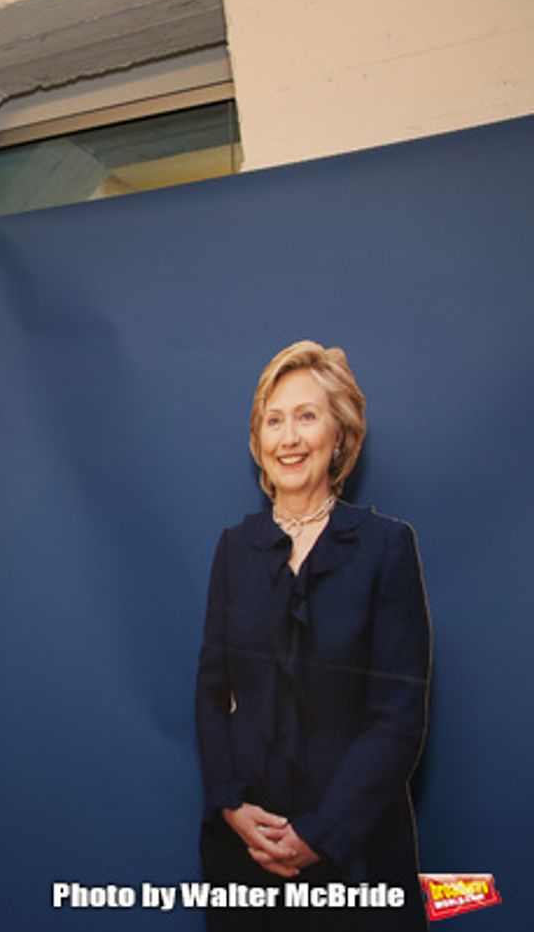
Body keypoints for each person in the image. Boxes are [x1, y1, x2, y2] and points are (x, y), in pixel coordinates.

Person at [195, 341, 432, 931]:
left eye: (307, 416)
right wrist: (229, 804)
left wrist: (320, 832)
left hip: (355, 858)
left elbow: (397, 718)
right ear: (258, 441)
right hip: (244, 855)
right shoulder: (234, 549)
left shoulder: (385, 549)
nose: (289, 438)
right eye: (274, 420)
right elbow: (211, 692)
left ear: (341, 436)